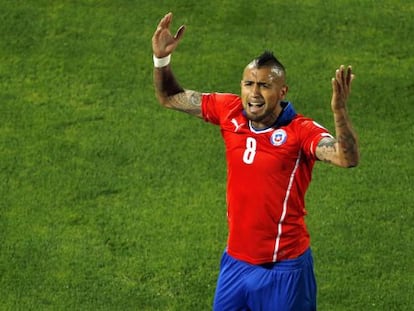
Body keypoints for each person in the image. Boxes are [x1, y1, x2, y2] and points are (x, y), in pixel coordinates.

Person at [151, 12, 359, 311]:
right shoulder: (229, 110)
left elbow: (345, 157)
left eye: (264, 85)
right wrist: (161, 60)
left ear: (282, 91)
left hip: (285, 269)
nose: (254, 93)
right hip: (235, 262)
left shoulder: (300, 131)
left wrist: (339, 111)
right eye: (249, 84)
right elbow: (170, 97)